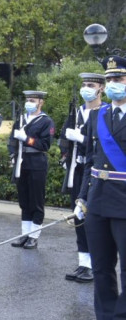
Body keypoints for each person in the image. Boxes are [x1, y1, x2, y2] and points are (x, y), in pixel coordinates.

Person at [76, 55, 126, 320]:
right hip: (98, 199)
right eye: (109, 81)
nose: (113, 85)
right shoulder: (98, 116)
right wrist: (82, 196)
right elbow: (89, 161)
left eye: (118, 79)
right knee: (101, 266)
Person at [61, 73, 106, 282]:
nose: (86, 88)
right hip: (77, 169)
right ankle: (83, 263)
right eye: (84, 85)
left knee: (92, 221)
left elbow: (102, 143)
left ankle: (94, 265)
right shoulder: (77, 112)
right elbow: (63, 137)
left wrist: (82, 138)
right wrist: (65, 153)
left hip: (96, 172)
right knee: (78, 216)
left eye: (90, 85)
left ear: (101, 89)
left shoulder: (104, 113)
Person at [8, 90, 54, 249]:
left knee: (36, 200)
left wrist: (27, 138)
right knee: (24, 200)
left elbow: (45, 144)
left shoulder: (46, 121)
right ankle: (24, 235)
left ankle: (34, 236)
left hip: (36, 162)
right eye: (28, 99)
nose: (29, 102)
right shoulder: (21, 119)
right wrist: (12, 154)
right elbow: (12, 139)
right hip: (22, 161)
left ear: (41, 102)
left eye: (33, 100)